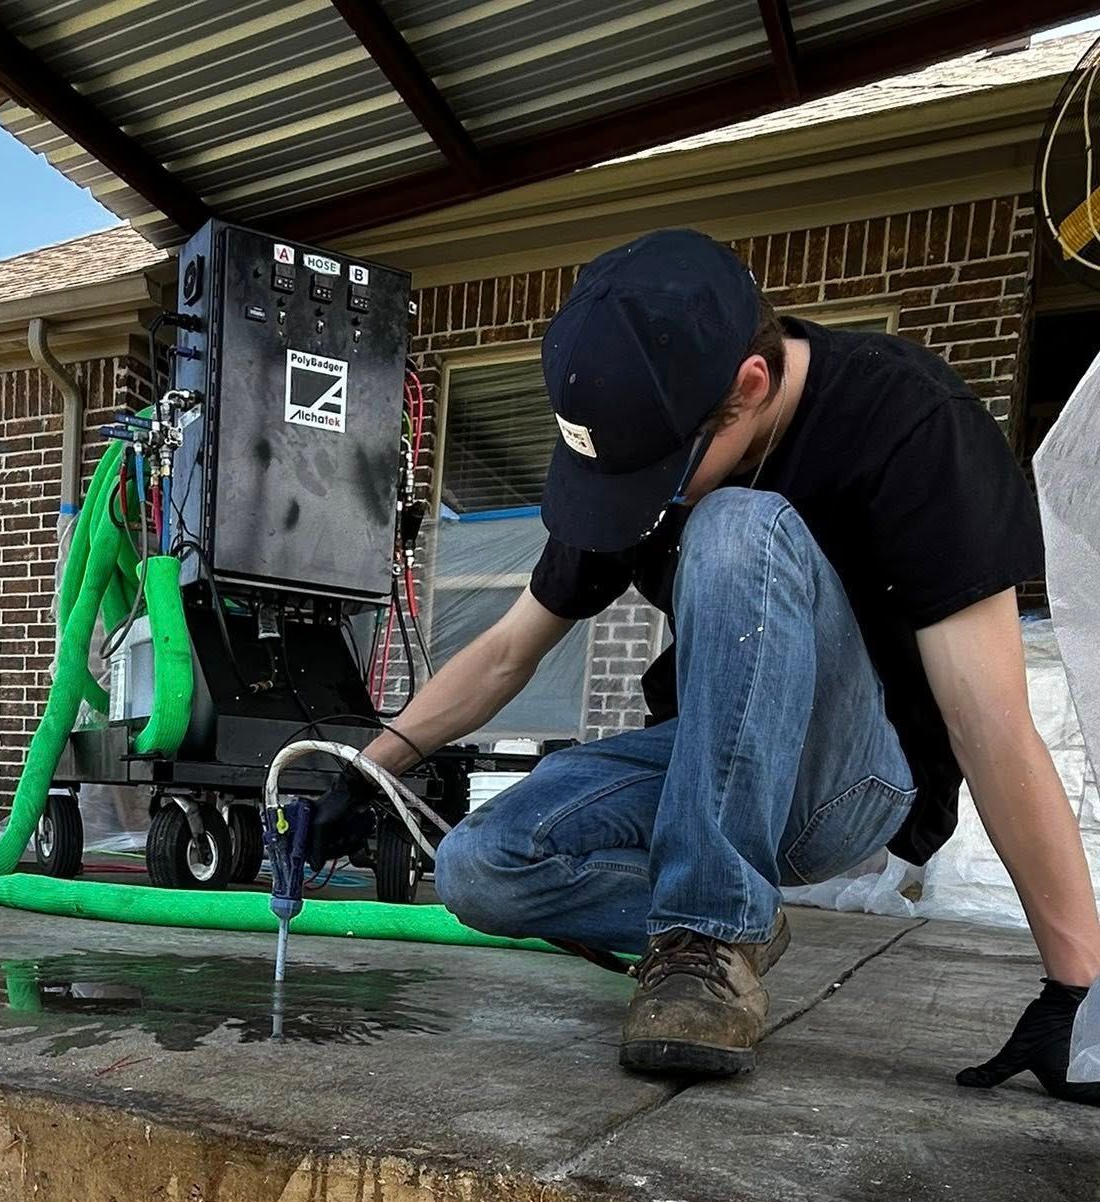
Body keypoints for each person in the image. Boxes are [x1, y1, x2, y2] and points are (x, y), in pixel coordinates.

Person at [309, 229, 1100, 1098]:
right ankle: (731, 920)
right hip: (709, 764)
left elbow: (990, 723)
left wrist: (1080, 990)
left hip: (855, 780)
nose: (639, 502)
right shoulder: (634, 443)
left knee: (734, 525)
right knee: (480, 862)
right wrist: (367, 773)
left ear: (747, 389)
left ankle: (710, 930)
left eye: (657, 476)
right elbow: (504, 653)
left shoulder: (911, 424)